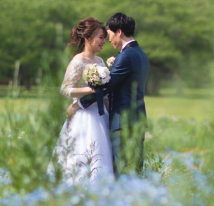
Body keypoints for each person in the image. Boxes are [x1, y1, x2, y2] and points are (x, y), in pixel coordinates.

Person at [85, 11, 149, 175]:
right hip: (138, 119)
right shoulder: (141, 54)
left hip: (123, 122)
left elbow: (107, 86)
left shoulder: (126, 56)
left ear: (119, 32)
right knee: (135, 170)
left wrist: (80, 103)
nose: (108, 40)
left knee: (122, 172)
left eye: (109, 34)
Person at [54, 17, 113, 182]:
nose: (103, 41)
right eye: (100, 37)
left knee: (101, 154)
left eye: (104, 38)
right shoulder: (77, 61)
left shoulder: (100, 62)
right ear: (87, 38)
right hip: (82, 115)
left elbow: (105, 93)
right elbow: (65, 90)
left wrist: (110, 112)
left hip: (100, 115)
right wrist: (90, 90)